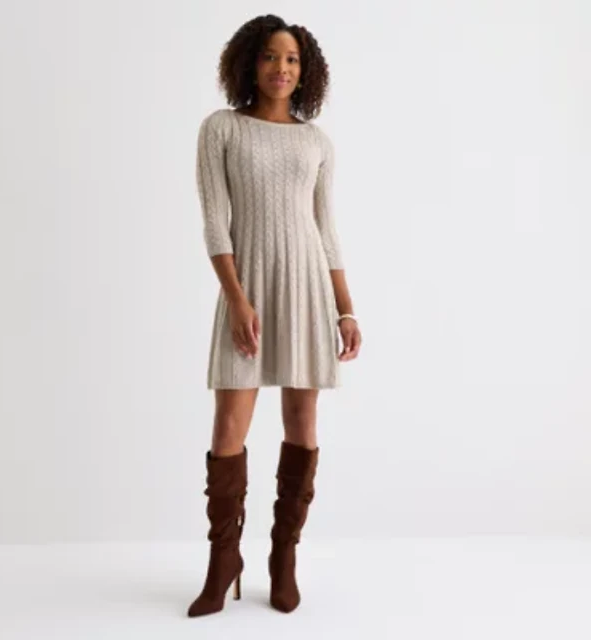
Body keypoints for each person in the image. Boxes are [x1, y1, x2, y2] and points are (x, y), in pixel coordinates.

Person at [188, 14, 362, 617]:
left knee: (301, 423)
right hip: (248, 291)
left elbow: (326, 230)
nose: (280, 68)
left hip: (308, 290)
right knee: (227, 430)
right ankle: (223, 561)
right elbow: (215, 224)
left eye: (291, 59)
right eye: (269, 56)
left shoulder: (316, 143)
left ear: (304, 70)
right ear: (249, 63)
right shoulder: (222, 129)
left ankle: (283, 557)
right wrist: (237, 299)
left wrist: (346, 309)